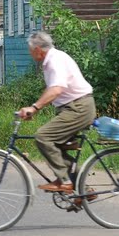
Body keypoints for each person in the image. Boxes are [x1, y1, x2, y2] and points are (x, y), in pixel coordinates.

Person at [17, 31, 96, 193]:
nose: (30, 53)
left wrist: (34, 107)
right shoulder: (52, 59)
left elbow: (56, 89)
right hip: (74, 108)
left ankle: (65, 181)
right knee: (57, 146)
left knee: (43, 137)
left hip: (78, 108)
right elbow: (54, 90)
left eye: (30, 50)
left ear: (38, 49)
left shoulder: (55, 60)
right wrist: (35, 110)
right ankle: (83, 190)